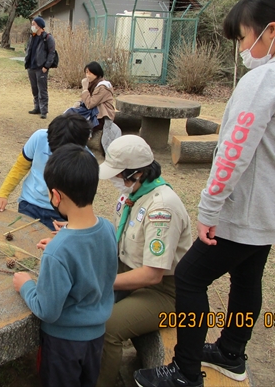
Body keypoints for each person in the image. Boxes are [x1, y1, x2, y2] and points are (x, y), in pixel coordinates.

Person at [134, 0, 275, 387]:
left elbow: (232, 152)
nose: (242, 47)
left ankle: (185, 372)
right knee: (247, 278)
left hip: (247, 207)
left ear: (271, 31)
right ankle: (231, 352)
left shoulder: (266, 79)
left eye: (244, 37)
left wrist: (209, 208)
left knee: (191, 278)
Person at [13, 144, 117, 387]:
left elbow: (48, 309)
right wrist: (61, 244)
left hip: (63, 344)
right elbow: (94, 260)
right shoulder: (107, 229)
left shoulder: (58, 251)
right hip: (96, 338)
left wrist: (25, 285)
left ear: (56, 196)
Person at [95, 135, 192, 387]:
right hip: (130, 273)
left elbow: (152, 275)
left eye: (118, 175)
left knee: (109, 326)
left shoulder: (162, 208)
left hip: (161, 291)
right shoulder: (134, 195)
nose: (115, 181)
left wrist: (104, 282)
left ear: (136, 174)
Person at [0, 113, 91, 230]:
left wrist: (73, 222)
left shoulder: (86, 160)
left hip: (61, 214)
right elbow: (20, 167)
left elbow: (83, 200)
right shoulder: (39, 137)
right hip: (29, 205)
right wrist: (2, 195)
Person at [24, 16, 55, 120]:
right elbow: (28, 49)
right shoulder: (32, 37)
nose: (32, 26)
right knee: (34, 89)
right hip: (31, 67)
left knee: (42, 89)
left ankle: (44, 110)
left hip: (41, 68)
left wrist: (46, 66)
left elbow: (51, 53)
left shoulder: (47, 38)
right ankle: (36, 107)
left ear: (40, 26)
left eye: (34, 24)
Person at [71, 61, 116, 129]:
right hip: (93, 112)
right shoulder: (92, 84)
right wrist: (79, 103)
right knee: (69, 114)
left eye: (90, 73)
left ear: (96, 74)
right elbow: (86, 100)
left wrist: (85, 89)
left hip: (102, 117)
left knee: (79, 124)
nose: (87, 75)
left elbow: (90, 104)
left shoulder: (103, 87)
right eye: (86, 72)